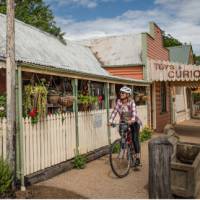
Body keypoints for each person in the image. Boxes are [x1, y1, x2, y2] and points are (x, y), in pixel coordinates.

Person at [108, 86, 142, 166]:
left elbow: (134, 113)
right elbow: (114, 111)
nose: (121, 94)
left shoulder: (131, 102)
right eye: (120, 92)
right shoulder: (119, 102)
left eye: (123, 93)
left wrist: (132, 120)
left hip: (134, 122)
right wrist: (110, 121)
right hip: (124, 122)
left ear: (127, 94)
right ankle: (123, 149)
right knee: (123, 136)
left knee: (134, 138)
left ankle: (137, 158)